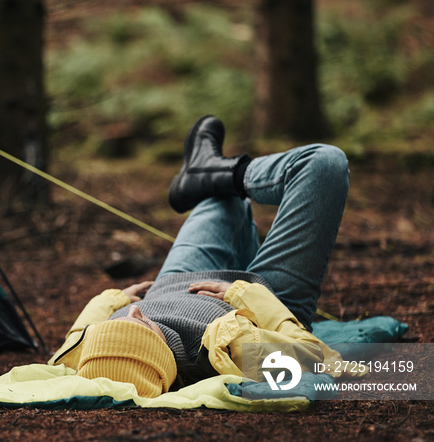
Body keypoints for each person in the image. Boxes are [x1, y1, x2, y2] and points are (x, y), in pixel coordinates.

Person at [48, 115, 353, 398]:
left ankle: (207, 171)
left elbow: (76, 337)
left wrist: (111, 301)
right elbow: (319, 359)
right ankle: (228, 172)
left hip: (175, 279)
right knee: (323, 163)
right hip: (266, 298)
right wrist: (246, 295)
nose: (135, 312)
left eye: (114, 324)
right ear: (161, 352)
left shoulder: (91, 357)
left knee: (221, 197)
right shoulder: (236, 352)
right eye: (139, 325)